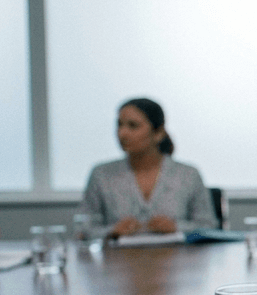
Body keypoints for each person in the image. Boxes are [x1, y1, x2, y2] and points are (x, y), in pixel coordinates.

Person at [78, 98, 217, 237]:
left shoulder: (188, 175)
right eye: (119, 125)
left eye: (133, 126)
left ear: (158, 133)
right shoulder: (102, 174)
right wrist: (112, 231)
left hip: (178, 257)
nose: (122, 133)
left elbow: (209, 226)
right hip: (117, 258)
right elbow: (83, 229)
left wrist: (176, 227)